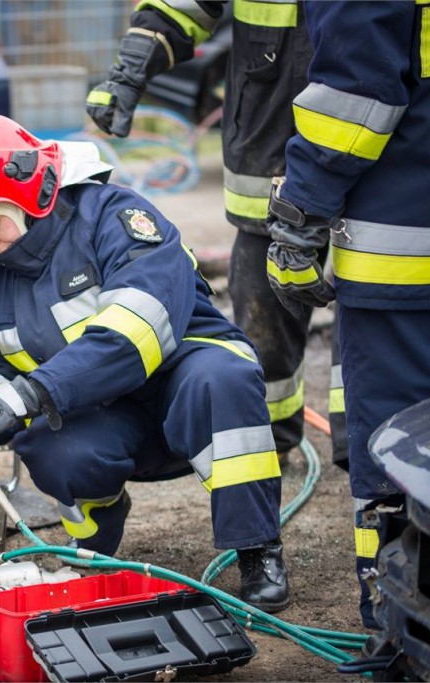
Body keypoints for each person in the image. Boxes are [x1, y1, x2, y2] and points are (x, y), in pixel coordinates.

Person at [0, 109, 291, 613]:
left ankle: (257, 549)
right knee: (51, 445)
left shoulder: (114, 218)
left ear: (27, 193)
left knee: (219, 379)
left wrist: (31, 392)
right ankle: (95, 550)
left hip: (183, 382)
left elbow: (135, 334)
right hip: (107, 414)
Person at [264, 1, 430, 629]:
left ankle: (408, 629)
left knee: (404, 454)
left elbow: (355, 96)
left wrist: (299, 213)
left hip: (407, 261)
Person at [85, 0, 350, 468]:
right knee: (262, 330)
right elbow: (182, 7)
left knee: (372, 330)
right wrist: (129, 73)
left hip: (364, 165)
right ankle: (264, 444)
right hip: (267, 164)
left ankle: (373, 460)